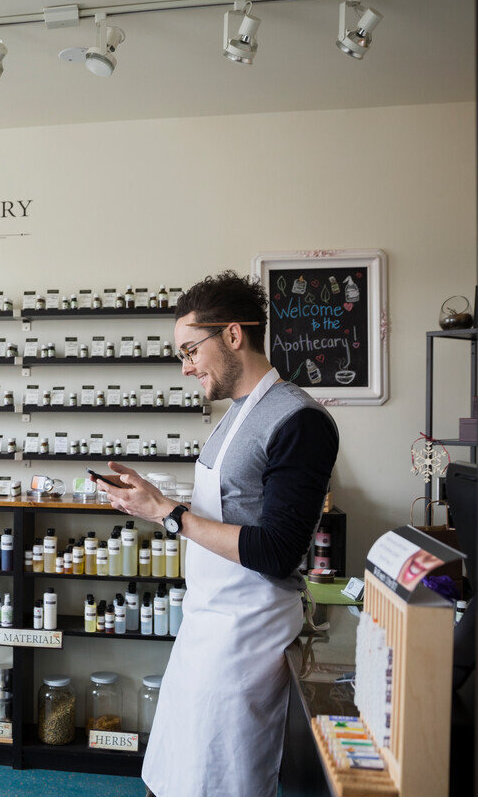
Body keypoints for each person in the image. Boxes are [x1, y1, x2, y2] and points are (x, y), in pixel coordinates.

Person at [96, 271, 339, 797]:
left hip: (247, 637)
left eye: (190, 350)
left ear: (232, 335)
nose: (185, 367)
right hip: (206, 625)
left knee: (222, 783)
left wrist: (170, 514)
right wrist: (151, 499)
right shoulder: (233, 417)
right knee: (173, 778)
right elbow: (233, 508)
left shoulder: (300, 420)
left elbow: (277, 550)